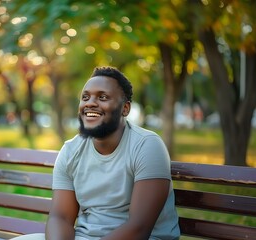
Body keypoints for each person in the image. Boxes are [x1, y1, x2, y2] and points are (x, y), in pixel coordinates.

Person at [12, 66, 180, 240]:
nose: (90, 102)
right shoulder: (70, 151)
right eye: (85, 97)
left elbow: (139, 227)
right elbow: (60, 217)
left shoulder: (147, 146)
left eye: (103, 97)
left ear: (125, 109)